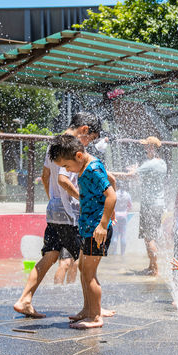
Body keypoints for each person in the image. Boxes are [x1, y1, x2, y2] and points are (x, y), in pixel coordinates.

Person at [14, 112, 112, 318]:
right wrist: (83, 200)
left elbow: (44, 176)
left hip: (55, 211)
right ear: (84, 130)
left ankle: (25, 299)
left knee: (50, 255)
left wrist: (54, 201)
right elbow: (62, 179)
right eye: (90, 138)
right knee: (87, 262)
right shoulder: (72, 147)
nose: (88, 144)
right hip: (73, 213)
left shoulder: (55, 144)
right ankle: (94, 308)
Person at [50, 134, 117, 329]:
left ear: (79, 155)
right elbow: (111, 179)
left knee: (89, 273)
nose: (67, 170)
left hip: (97, 230)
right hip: (88, 228)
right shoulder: (87, 166)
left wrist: (103, 224)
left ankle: (95, 317)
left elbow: (111, 195)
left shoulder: (93, 169)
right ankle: (88, 310)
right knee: (82, 270)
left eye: (67, 166)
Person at [112, 136, 167, 275]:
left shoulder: (150, 164)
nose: (145, 149)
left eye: (147, 146)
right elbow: (140, 175)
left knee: (149, 238)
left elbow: (129, 176)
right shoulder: (162, 163)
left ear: (152, 148)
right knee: (151, 236)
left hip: (150, 205)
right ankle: (151, 267)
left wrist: (110, 174)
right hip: (158, 204)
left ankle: (155, 269)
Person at [111, 180, 132, 256]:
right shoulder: (127, 195)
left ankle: (114, 253)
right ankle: (122, 254)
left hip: (115, 215)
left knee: (115, 235)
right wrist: (126, 212)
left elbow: (111, 205)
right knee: (123, 235)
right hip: (124, 216)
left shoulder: (115, 194)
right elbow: (130, 206)